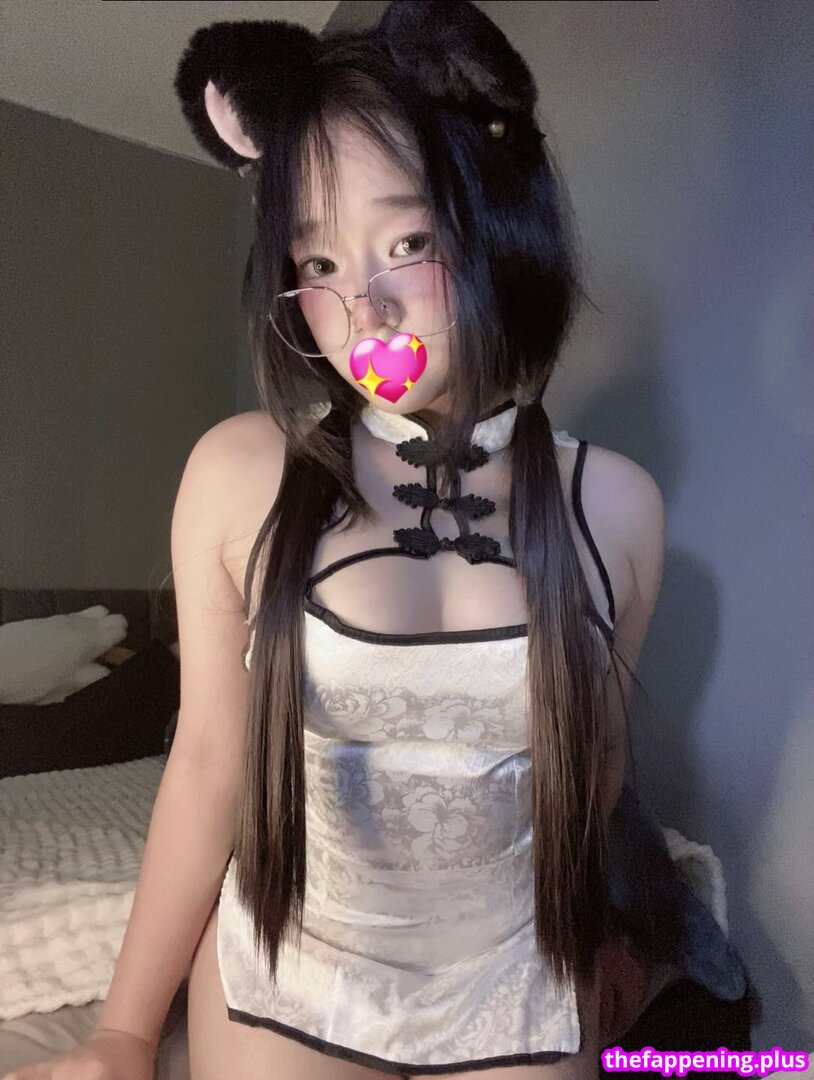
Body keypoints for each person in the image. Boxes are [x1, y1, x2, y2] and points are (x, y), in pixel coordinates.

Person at [3, 4, 750, 1079]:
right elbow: (208, 759)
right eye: (318, 260)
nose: (364, 305)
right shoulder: (239, 473)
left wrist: (593, 934)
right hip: (290, 972)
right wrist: (121, 1033)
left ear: (493, 226)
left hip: (512, 980)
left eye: (408, 243)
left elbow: (592, 763)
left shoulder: (617, 506)